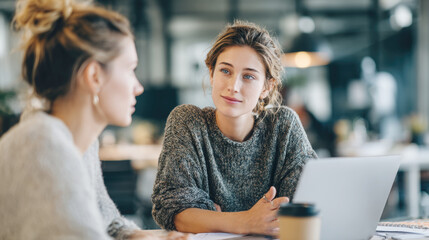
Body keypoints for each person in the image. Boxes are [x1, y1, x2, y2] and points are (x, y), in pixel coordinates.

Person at [0, 0, 186, 239]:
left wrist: (139, 236)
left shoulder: (79, 142)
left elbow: (104, 218)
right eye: (130, 69)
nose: (138, 86)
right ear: (94, 75)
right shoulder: (42, 147)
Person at [151, 20, 317, 237]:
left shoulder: (283, 126)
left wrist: (211, 218)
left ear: (267, 87)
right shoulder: (188, 122)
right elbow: (170, 210)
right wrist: (247, 221)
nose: (233, 86)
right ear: (211, 73)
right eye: (225, 71)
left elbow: (307, 203)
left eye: (248, 76)